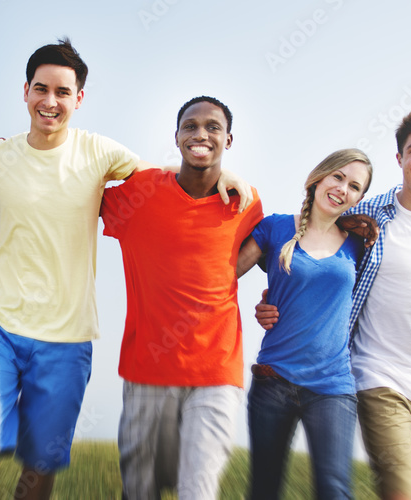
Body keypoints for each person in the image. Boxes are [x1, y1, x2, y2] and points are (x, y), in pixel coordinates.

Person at [0, 39, 252, 500]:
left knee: (38, 469)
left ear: (78, 98)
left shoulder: (100, 153)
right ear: (25, 91)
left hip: (68, 338)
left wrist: (221, 171)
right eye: (41, 89)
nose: (50, 101)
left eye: (62, 92)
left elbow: (168, 183)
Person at [255, 108, 411, 500]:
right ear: (400, 159)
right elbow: (307, 250)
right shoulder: (363, 217)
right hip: (378, 375)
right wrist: (275, 300)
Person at [101, 96, 263, 499]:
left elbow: (292, 246)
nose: (200, 134)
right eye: (190, 126)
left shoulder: (245, 204)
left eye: (212, 127)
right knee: (139, 489)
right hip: (147, 369)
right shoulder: (140, 193)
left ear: (229, 138)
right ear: (176, 137)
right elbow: (74, 184)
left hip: (216, 372)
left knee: (199, 490)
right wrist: (17, 151)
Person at [237, 148, 372, 499]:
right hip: (273, 382)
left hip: (332, 386)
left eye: (354, 186)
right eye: (338, 177)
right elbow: (224, 274)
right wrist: (263, 305)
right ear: (319, 177)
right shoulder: (276, 226)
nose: (343, 189)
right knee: (264, 490)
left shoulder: (359, 244)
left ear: (359, 198)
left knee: (334, 489)